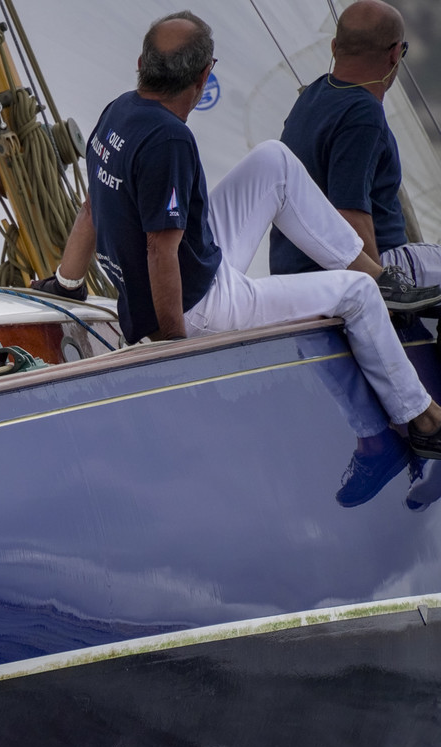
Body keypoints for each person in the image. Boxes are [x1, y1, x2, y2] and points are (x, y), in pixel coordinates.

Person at [40, 10, 441, 472]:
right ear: (205, 74)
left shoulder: (120, 110)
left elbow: (93, 207)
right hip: (200, 307)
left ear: (141, 64)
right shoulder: (169, 140)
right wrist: (178, 349)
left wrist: (66, 284)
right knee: (357, 295)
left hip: (192, 270)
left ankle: (377, 274)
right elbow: (160, 250)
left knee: (274, 161)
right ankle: (422, 417)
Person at [271, 0, 441, 299]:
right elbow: (350, 214)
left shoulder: (312, 94)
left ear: (335, 47)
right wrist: (381, 292)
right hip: (365, 265)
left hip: (294, 269)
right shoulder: (363, 113)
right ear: (394, 54)